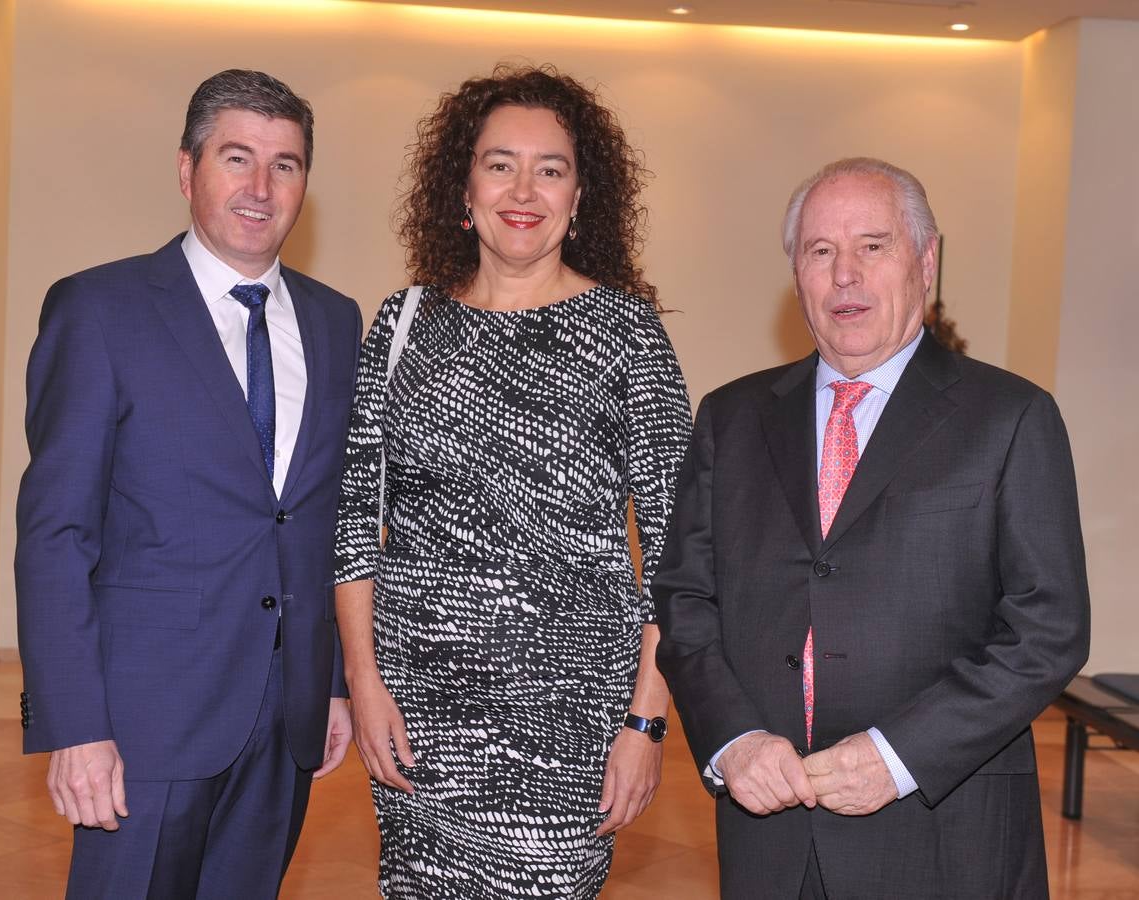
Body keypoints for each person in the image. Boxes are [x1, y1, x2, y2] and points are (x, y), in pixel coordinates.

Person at [654, 157, 1090, 899]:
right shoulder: (731, 417)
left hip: (942, 829)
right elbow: (685, 600)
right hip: (769, 827)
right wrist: (731, 741)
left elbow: (1046, 628)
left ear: (925, 261)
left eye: (872, 245)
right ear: (796, 277)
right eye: (819, 251)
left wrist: (896, 756)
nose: (844, 275)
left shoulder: (1010, 417)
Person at [333, 64, 692, 898]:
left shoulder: (627, 334)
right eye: (499, 164)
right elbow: (354, 516)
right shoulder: (404, 322)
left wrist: (646, 720)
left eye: (550, 168)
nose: (522, 188)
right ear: (462, 187)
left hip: (569, 721)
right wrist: (363, 680)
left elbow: (680, 551)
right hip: (415, 704)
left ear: (579, 197)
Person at [15, 69, 360, 898]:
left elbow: (325, 521)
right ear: (186, 170)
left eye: (285, 164)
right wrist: (75, 726)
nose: (260, 186)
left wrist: (336, 683)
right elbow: (55, 532)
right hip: (142, 722)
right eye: (236, 158)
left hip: (286, 715)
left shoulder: (336, 320)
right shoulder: (99, 309)